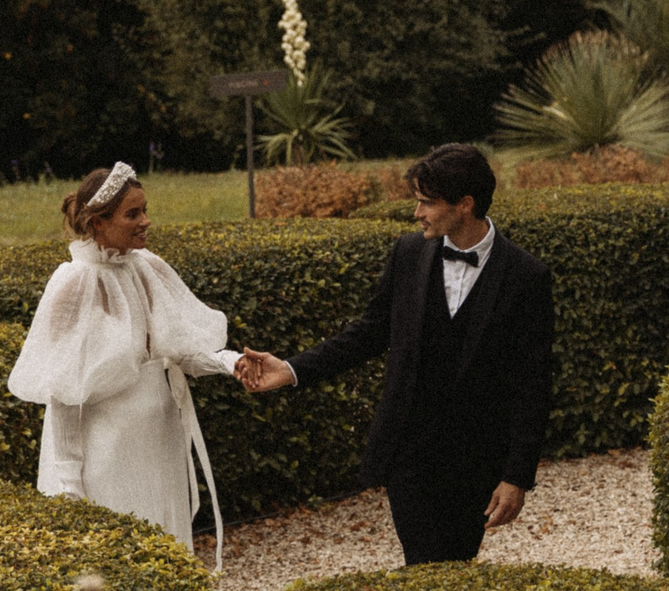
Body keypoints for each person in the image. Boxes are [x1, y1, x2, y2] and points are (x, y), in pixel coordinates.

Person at [237, 143, 554, 565]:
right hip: (409, 452)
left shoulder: (527, 276)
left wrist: (516, 477)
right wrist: (293, 369)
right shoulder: (408, 254)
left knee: (455, 563)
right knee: (423, 561)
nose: (416, 213)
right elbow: (369, 333)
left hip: (476, 459)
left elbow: (534, 383)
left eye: (426, 202)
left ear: (465, 205)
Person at [8, 163, 243, 566]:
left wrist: (232, 363)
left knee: (168, 551)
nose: (146, 221)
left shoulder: (147, 267)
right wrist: (68, 485)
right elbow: (63, 393)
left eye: (145, 210)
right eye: (133, 214)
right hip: (108, 451)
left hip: (159, 439)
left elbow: (177, 348)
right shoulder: (72, 283)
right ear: (99, 222)